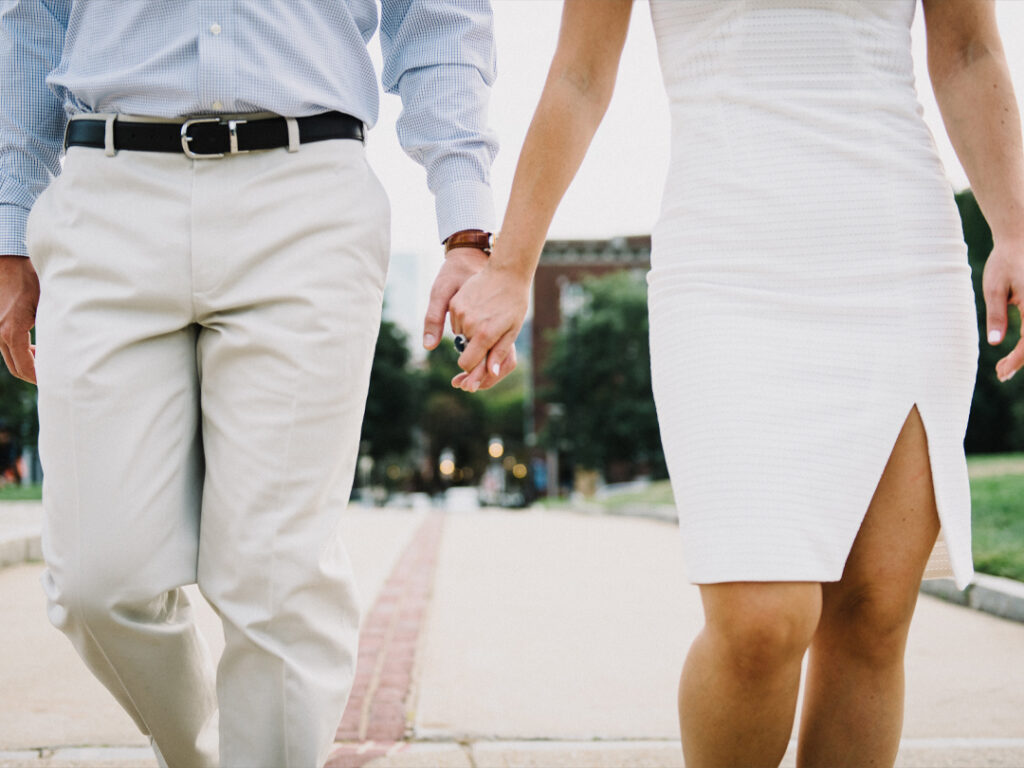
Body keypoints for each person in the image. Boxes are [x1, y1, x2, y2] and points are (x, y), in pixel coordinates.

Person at [447, 1, 1024, 765]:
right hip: (725, 263)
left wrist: (1013, 228)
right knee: (760, 621)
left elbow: (969, 53)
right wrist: (514, 265)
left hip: (899, 250)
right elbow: (581, 76)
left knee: (874, 615)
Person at [0, 2, 502, 765]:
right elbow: (30, 21)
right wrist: (7, 229)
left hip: (307, 194)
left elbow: (438, 17)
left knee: (276, 577)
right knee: (96, 583)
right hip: (108, 189)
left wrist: (465, 223)